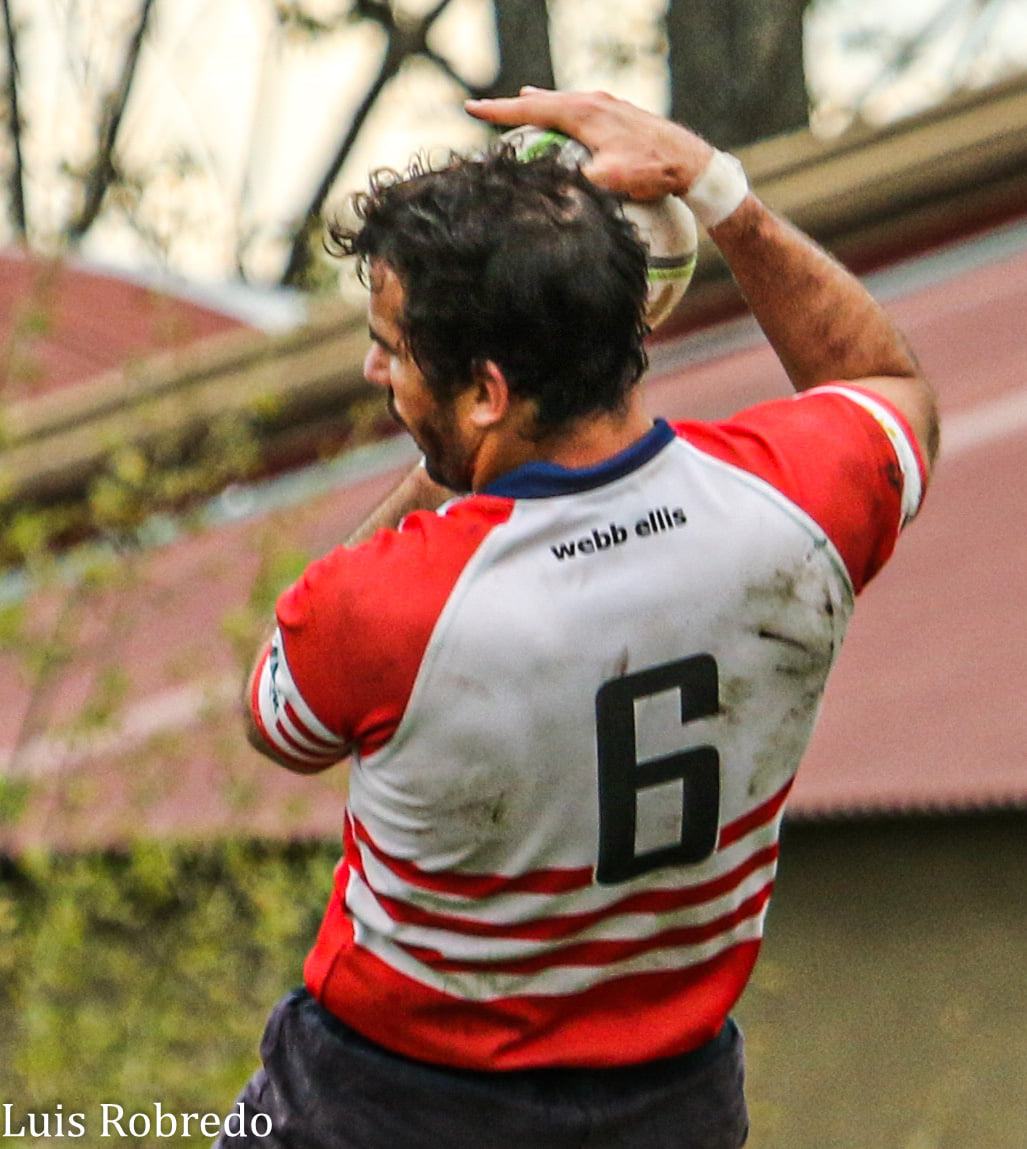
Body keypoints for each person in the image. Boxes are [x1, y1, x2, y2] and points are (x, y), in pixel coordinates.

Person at [220, 88, 939, 1149]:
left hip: (388, 1107)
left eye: (393, 348)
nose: (377, 370)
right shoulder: (796, 507)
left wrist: (439, 473)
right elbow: (880, 379)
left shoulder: (378, 606)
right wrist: (715, 187)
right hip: (673, 1108)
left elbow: (274, 719)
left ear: (486, 395)